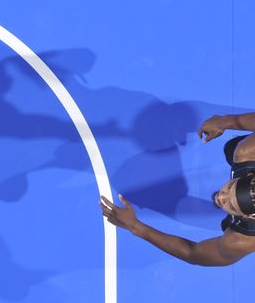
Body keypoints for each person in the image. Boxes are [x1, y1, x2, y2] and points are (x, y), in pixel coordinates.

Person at [100, 112, 255, 266]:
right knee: (233, 149)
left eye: (232, 206)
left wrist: (135, 226)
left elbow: (193, 253)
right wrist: (226, 121)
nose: (220, 199)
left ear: (249, 217)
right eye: (229, 187)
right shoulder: (246, 151)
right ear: (248, 175)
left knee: (228, 233)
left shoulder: (242, 239)